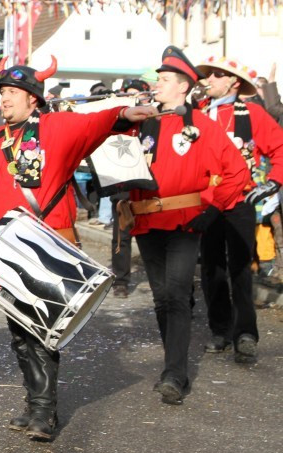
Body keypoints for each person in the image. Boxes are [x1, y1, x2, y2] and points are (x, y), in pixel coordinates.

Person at [0, 57, 157, 440]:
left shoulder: (58, 128)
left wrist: (125, 111)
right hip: (9, 251)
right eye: (2, 92)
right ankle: (35, 402)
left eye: (13, 93)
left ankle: (44, 412)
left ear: (34, 99)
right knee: (20, 332)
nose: (5, 99)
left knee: (43, 329)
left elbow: (98, 122)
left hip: (50, 245)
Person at [119, 47, 248, 404]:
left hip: (183, 223)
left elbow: (238, 172)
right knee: (162, 299)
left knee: (176, 295)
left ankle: (175, 374)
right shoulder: (142, 123)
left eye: (163, 80)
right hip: (146, 222)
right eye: (157, 79)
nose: (156, 85)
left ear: (183, 87)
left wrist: (210, 210)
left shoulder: (201, 126)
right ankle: (172, 363)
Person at [195, 55, 283, 363]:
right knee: (211, 268)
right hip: (207, 200)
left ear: (233, 82)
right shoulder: (198, 114)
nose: (210, 80)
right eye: (210, 75)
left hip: (241, 201)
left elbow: (280, 146)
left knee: (241, 268)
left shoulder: (253, 113)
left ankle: (246, 332)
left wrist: (273, 182)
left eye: (218, 76)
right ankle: (220, 329)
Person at [107, 78, 152, 298]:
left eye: (137, 95)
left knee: (152, 237)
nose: (132, 99)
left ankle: (158, 278)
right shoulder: (122, 122)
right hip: (125, 186)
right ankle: (121, 280)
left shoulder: (153, 120)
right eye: (128, 95)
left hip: (149, 187)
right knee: (121, 237)